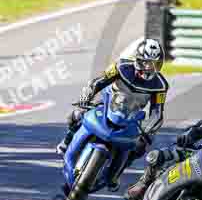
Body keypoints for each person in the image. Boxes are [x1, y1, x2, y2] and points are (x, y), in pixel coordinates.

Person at [56, 39, 168, 191]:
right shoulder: (121, 67)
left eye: (155, 63)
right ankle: (68, 140)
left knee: (140, 147)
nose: (150, 67)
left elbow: (157, 112)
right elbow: (98, 82)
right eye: (146, 62)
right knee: (76, 114)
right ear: (138, 60)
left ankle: (115, 174)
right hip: (108, 106)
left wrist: (148, 130)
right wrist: (85, 98)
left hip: (131, 117)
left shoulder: (160, 85)